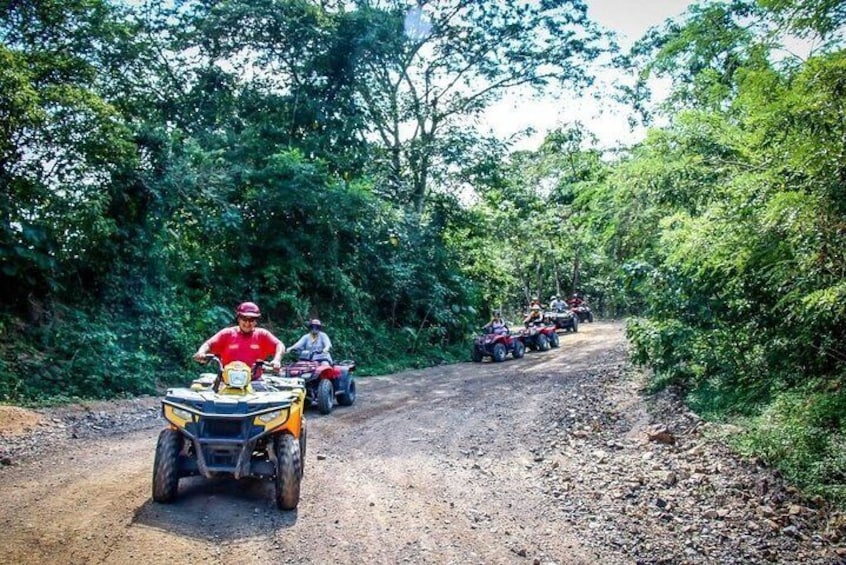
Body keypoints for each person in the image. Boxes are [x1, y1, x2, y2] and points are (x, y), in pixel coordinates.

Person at [193, 301, 285, 384]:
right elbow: (208, 344)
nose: (247, 323)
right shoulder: (227, 333)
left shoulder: (262, 334)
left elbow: (279, 345)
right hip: (226, 382)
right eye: (244, 319)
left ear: (256, 321)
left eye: (251, 320)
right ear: (239, 319)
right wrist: (201, 352)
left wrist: (277, 360)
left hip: (254, 381)